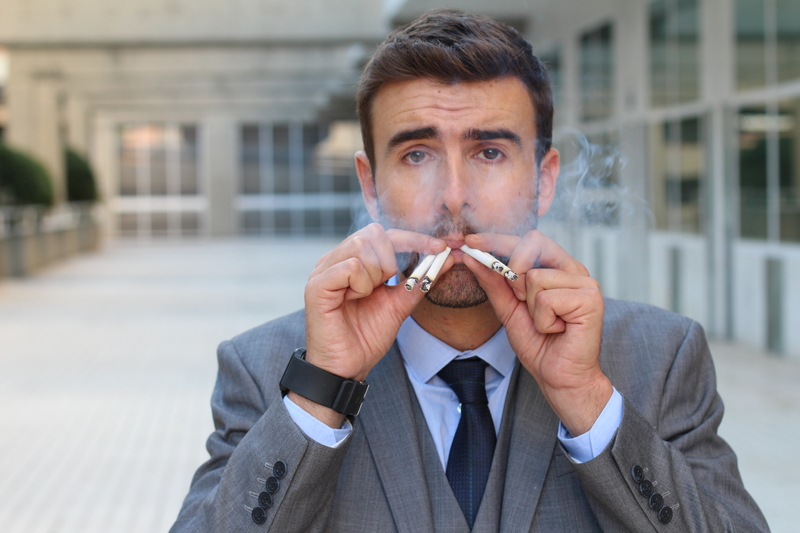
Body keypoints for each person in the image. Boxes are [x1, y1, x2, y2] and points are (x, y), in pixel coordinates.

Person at [170, 9, 768, 532]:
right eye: (417, 154)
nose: (453, 196)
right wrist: (322, 393)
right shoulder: (267, 369)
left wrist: (587, 399)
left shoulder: (659, 359)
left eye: (489, 152)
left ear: (545, 178)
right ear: (370, 185)